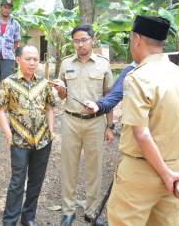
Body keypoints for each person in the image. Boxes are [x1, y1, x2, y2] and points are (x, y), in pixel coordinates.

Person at [107, 15, 179, 225]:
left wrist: (165, 173)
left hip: (141, 172)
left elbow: (141, 133)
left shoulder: (137, 77)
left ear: (137, 39)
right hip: (175, 168)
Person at [51, 24, 113, 226]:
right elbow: (62, 95)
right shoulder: (66, 63)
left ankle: (91, 211)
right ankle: (68, 211)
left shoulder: (103, 64)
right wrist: (60, 89)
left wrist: (109, 126)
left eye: (84, 39)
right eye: (76, 40)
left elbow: (109, 96)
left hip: (95, 123)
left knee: (94, 168)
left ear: (92, 40)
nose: (80, 44)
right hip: (70, 120)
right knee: (69, 166)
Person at [0, 45, 57, 226]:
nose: (32, 63)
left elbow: (50, 107)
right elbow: (0, 110)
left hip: (43, 140)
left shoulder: (44, 83)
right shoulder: (9, 83)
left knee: (36, 181)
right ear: (18, 60)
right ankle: (10, 220)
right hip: (19, 140)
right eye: (28, 59)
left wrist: (51, 131)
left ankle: (28, 216)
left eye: (35, 59)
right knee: (17, 182)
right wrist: (9, 135)